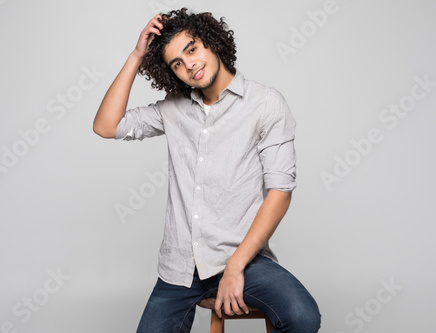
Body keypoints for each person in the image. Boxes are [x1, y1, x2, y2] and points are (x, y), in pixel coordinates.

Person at [93, 7, 321, 332]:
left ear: (211, 42)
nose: (190, 65)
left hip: (243, 260)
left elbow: (280, 193)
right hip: (180, 269)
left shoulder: (266, 105)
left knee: (302, 316)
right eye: (177, 63)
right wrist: (136, 56)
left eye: (192, 49)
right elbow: (105, 126)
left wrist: (235, 267)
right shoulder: (173, 109)